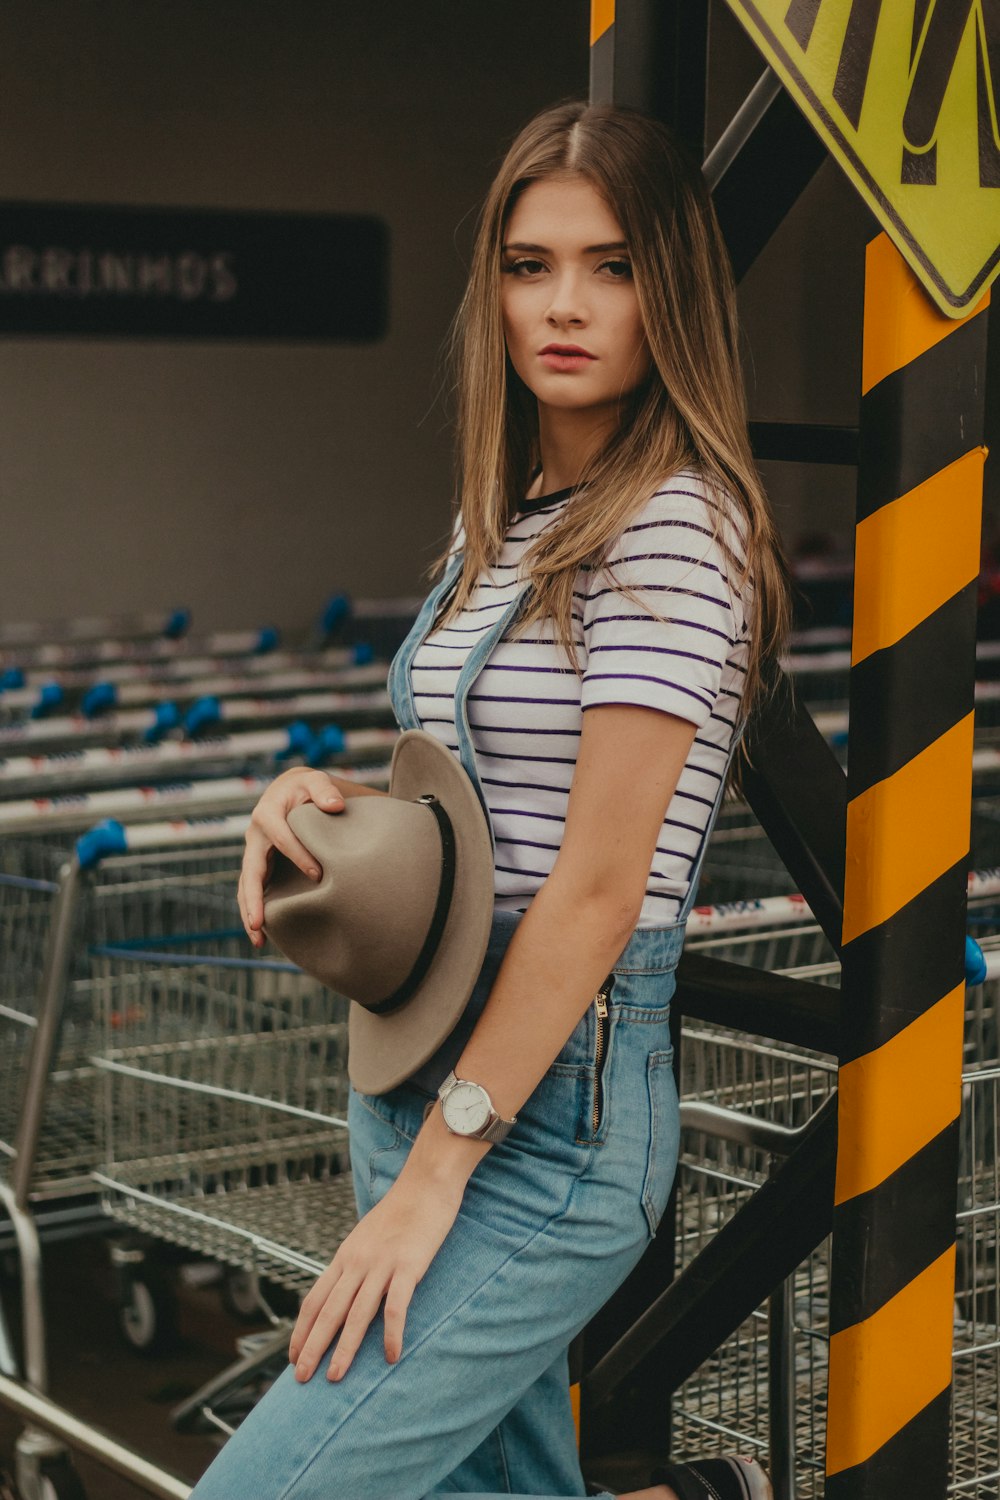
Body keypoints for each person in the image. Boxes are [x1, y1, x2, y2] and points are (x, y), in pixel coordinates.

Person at [191, 101, 790, 1500]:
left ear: (673, 296)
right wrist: (317, 793)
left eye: (611, 266)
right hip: (415, 1063)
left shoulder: (678, 530)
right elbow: (474, 780)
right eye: (529, 265)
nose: (563, 306)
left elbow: (590, 893)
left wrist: (435, 1179)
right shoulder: (503, 512)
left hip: (546, 1119)